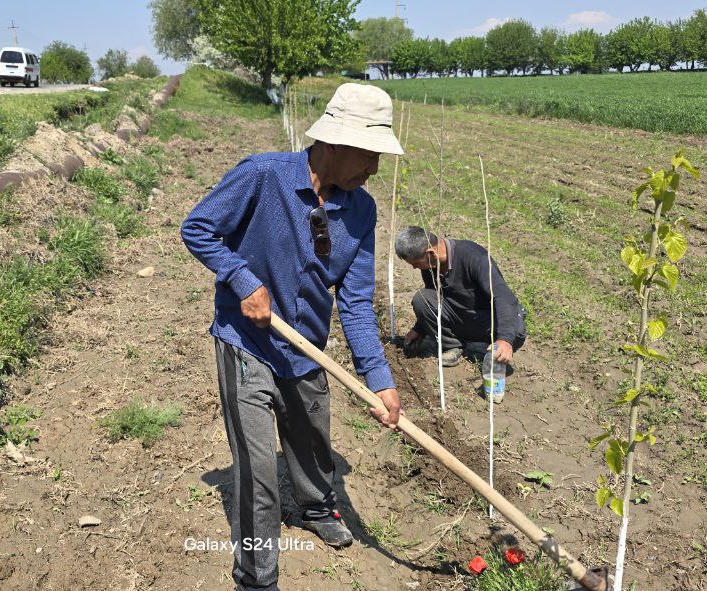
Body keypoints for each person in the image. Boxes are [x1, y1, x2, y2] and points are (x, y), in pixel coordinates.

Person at [181, 83, 404, 591]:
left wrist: (379, 379)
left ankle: (317, 506)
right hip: (246, 341)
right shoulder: (264, 175)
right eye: (369, 154)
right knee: (258, 470)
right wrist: (243, 280)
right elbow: (197, 228)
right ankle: (257, 578)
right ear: (335, 143)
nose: (374, 168)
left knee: (312, 439)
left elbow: (355, 303)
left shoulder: (362, 211)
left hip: (306, 346)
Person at [394, 225, 527, 374]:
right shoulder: (431, 265)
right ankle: (452, 345)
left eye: (416, 263)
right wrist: (419, 330)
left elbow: (503, 297)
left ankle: (496, 346)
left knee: (513, 332)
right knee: (422, 298)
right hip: (463, 316)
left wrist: (505, 339)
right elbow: (435, 299)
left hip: (490, 321)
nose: (415, 268)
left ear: (431, 253)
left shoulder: (475, 257)